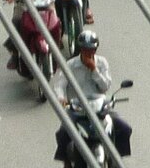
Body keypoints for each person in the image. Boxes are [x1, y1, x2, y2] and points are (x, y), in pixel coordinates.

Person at [54, 29, 132, 165]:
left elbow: (105, 86)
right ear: (81, 49)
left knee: (124, 128)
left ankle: (117, 160)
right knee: (62, 133)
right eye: (85, 50)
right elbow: (60, 85)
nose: (89, 53)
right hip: (77, 109)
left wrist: (94, 70)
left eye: (92, 50)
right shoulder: (71, 65)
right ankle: (67, 163)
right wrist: (61, 98)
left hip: (99, 107)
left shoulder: (102, 63)